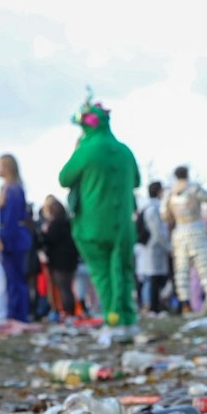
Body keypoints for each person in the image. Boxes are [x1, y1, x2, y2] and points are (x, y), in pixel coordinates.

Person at [57, 94, 139, 326]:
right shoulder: (125, 151)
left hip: (93, 224)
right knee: (123, 270)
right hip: (123, 225)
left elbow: (64, 178)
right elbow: (137, 180)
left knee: (102, 272)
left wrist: (79, 150)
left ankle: (114, 319)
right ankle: (127, 318)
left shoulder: (87, 150)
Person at [161, 166, 207, 315]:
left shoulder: (169, 193)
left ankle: (185, 304)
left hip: (179, 232)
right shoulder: (193, 189)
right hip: (196, 230)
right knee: (205, 268)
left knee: (181, 271)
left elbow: (164, 215)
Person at [0, 155, 31, 324]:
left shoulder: (13, 190)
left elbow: (11, 218)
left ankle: (17, 315)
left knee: (15, 279)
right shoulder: (9, 188)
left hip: (13, 239)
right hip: (13, 237)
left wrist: (3, 240)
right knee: (13, 279)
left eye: (0, 165)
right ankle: (16, 314)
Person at [38, 195, 79, 319]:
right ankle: (70, 312)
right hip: (71, 259)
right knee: (67, 287)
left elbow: (49, 240)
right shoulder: (69, 223)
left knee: (63, 288)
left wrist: (43, 234)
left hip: (59, 261)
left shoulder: (55, 224)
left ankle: (67, 312)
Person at [136, 181, 171, 313]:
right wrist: (168, 247)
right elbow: (157, 232)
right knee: (152, 279)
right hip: (153, 249)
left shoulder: (149, 207)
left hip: (151, 249)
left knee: (152, 278)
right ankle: (152, 307)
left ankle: (153, 306)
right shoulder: (153, 209)